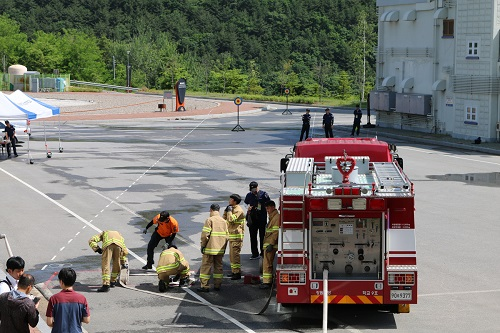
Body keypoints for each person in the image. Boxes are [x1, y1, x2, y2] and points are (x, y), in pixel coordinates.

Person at [46, 268, 90, 333]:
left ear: (61, 281)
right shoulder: (82, 299)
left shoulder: (54, 299)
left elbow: (49, 322)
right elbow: (87, 320)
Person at [198, 204, 229, 292]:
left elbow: (205, 235)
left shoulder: (209, 220)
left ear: (211, 210)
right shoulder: (224, 221)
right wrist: (223, 249)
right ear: (219, 211)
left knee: (206, 267)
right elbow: (227, 236)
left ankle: (204, 286)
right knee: (218, 267)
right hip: (220, 249)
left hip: (209, 249)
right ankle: (217, 285)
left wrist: (203, 246)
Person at [244, 181, 270, 260]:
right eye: (252, 190)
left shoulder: (263, 194)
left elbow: (269, 204)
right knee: (253, 236)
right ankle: (255, 253)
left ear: (257, 187)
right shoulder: (249, 195)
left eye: (254, 189)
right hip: (252, 219)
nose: (253, 191)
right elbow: (245, 203)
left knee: (262, 236)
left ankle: (263, 252)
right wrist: (248, 207)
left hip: (261, 218)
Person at [223, 193, 245, 280]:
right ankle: (234, 271)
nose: (229, 200)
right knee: (231, 256)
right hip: (232, 236)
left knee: (235, 256)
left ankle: (237, 273)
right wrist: (226, 211)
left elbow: (231, 220)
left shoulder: (239, 210)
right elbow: (224, 219)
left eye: (231, 199)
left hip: (237, 237)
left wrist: (228, 212)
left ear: (235, 201)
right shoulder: (232, 209)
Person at [259, 200, 280, 289]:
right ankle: (268, 281)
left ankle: (267, 282)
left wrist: (271, 244)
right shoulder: (273, 217)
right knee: (267, 263)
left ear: (273, 207)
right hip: (269, 244)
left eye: (268, 208)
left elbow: (275, 232)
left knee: (267, 264)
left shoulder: (276, 218)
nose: (267, 210)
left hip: (270, 245)